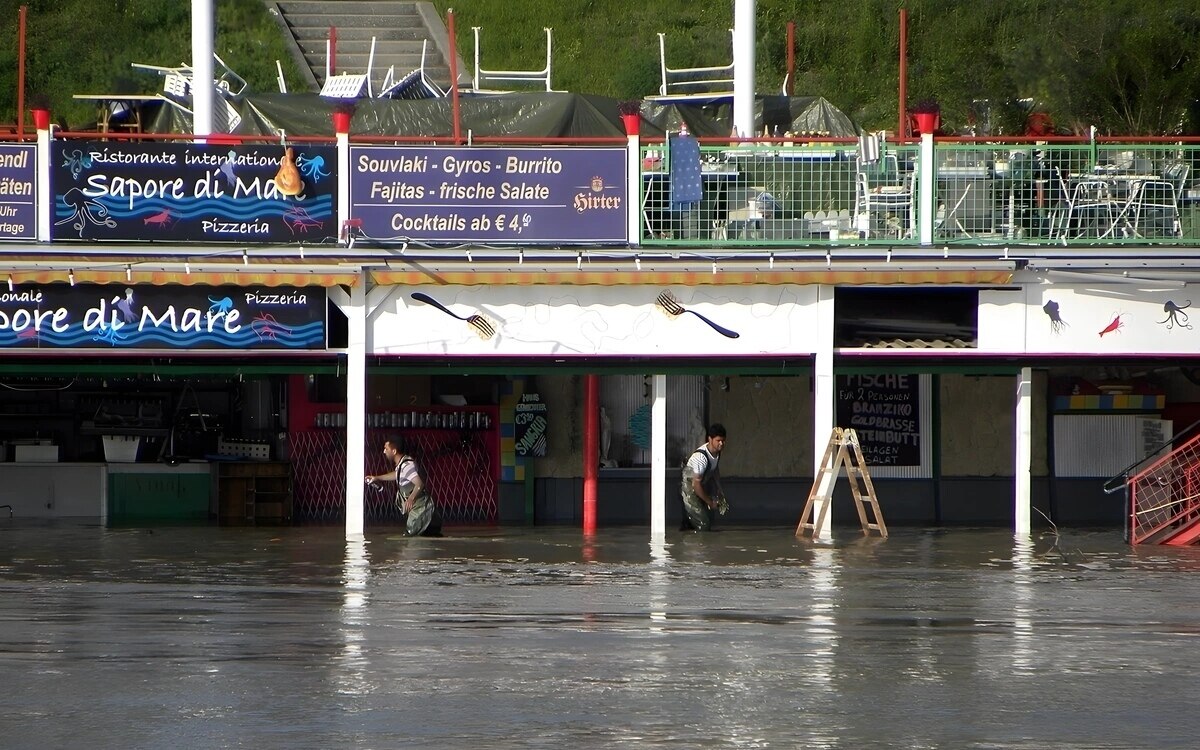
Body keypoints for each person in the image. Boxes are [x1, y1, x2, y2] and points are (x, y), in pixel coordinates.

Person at [365, 438, 442, 537]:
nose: (384, 452)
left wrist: (411, 498)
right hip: (420, 510)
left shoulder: (407, 465)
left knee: (408, 538)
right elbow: (398, 474)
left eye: (386, 449)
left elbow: (419, 484)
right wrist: (377, 478)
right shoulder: (402, 464)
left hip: (421, 509)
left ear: (394, 451)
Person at [680, 423, 728, 531]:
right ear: (710, 439)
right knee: (703, 524)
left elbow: (714, 469)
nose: (721, 443)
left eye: (723, 440)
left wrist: (719, 489)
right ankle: (696, 545)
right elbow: (695, 485)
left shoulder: (717, 452)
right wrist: (710, 502)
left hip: (700, 483)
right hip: (689, 487)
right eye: (718, 440)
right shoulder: (701, 458)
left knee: (707, 519)